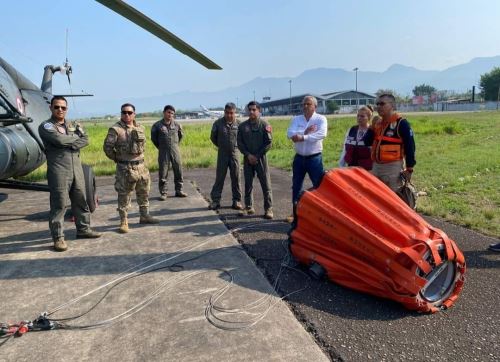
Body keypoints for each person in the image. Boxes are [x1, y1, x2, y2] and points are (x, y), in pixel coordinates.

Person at [39, 96, 101, 251]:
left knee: (81, 199)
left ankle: (83, 229)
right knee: (59, 203)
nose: (60, 110)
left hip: (76, 168)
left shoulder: (72, 125)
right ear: (51, 108)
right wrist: (74, 139)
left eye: (63, 107)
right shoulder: (46, 126)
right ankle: (58, 238)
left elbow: (85, 139)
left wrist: (71, 139)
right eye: (57, 107)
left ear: (66, 109)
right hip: (59, 170)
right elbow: (59, 140)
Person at [103, 103, 159, 233]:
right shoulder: (115, 129)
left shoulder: (140, 127)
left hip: (141, 166)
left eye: (129, 112)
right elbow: (107, 148)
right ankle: (124, 221)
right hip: (125, 168)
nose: (126, 115)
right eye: (124, 112)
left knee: (144, 192)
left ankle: (144, 216)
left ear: (134, 114)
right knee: (124, 195)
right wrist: (118, 159)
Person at [287, 96, 327, 220]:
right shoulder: (296, 119)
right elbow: (289, 134)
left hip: (314, 158)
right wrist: (305, 132)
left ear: (315, 106)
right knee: (296, 186)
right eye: (304, 104)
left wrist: (303, 137)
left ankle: (320, 214)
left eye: (308, 104)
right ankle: (295, 214)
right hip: (299, 158)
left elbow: (321, 134)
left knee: (319, 186)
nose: (305, 106)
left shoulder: (320, 119)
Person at [371, 93, 416, 192]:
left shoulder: (401, 123)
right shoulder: (378, 124)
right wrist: (371, 126)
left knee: (392, 197)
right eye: (377, 104)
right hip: (376, 166)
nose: (378, 106)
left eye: (382, 104)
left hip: (393, 168)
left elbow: (410, 147)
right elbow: (368, 141)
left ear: (392, 106)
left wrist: (409, 169)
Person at [237, 101, 273, 219]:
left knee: (265, 184)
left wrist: (256, 156)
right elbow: (240, 143)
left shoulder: (264, 125)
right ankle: (248, 206)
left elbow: (268, 143)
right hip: (248, 159)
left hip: (261, 159)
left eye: (254, 110)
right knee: (248, 183)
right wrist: (248, 155)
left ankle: (268, 208)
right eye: (250, 110)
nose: (251, 112)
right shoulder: (242, 126)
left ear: (259, 111)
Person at [208, 102, 243, 210]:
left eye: (231, 113)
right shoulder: (218, 123)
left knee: (236, 178)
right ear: (224, 112)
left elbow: (242, 139)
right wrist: (222, 146)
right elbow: (213, 138)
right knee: (220, 178)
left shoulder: (239, 124)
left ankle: (236, 201)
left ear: (235, 113)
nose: (229, 115)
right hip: (222, 154)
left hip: (235, 154)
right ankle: (215, 200)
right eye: (227, 113)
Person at [151, 105, 187, 201]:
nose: (170, 114)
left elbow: (180, 136)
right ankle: (164, 193)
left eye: (172, 113)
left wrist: (174, 145)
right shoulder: (157, 126)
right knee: (163, 172)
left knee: (178, 170)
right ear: (164, 112)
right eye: (168, 112)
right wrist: (161, 147)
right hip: (163, 151)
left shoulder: (177, 125)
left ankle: (179, 190)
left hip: (175, 150)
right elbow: (154, 139)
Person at [339, 105, 375, 170]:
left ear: (369, 117)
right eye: (358, 116)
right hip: (351, 167)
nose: (359, 118)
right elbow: (345, 149)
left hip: (367, 169)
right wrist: (341, 165)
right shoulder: (351, 129)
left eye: (362, 116)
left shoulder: (373, 131)